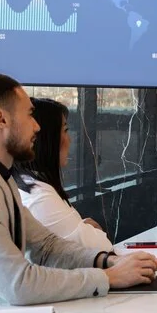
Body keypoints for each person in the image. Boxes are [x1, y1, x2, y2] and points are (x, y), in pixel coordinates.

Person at [0, 73, 157, 313]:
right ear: (1, 119)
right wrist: (108, 277)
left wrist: (109, 260)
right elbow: (19, 284)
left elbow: (47, 247)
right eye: (29, 114)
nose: (37, 126)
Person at [14, 98, 113, 251]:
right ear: (46, 138)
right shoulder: (40, 198)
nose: (70, 139)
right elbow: (102, 248)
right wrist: (88, 229)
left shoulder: (28, 185)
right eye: (65, 130)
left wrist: (84, 228)